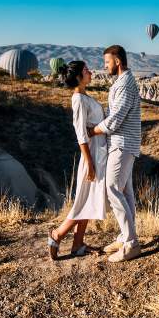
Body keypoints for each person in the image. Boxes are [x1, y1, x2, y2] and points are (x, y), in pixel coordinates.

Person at [47, 61, 108, 259]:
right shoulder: (78, 99)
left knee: (89, 198)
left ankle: (78, 244)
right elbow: (81, 134)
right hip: (92, 154)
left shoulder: (84, 96)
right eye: (86, 71)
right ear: (78, 77)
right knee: (85, 200)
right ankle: (57, 234)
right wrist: (89, 162)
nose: (90, 72)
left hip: (97, 152)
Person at [89, 44, 141, 262]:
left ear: (117, 61)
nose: (105, 66)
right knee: (126, 191)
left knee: (112, 188)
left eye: (107, 62)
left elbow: (116, 119)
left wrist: (93, 131)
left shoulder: (126, 84)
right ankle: (124, 237)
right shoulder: (121, 82)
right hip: (121, 143)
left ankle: (131, 244)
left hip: (122, 143)